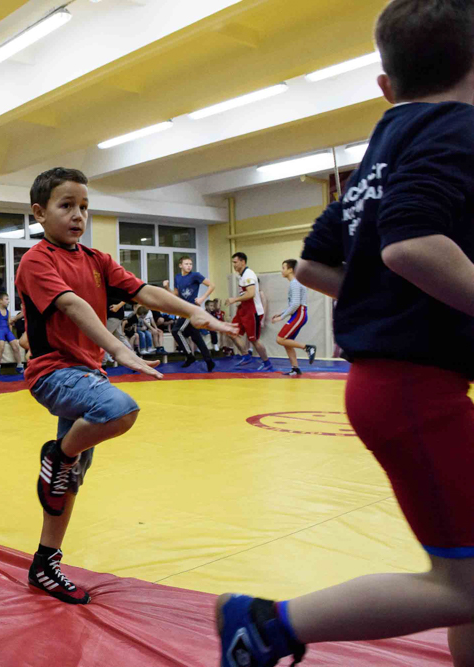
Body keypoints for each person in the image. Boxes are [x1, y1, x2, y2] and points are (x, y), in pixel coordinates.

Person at [217, 2, 474, 665]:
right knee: (466, 583)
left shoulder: (379, 154)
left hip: (392, 384)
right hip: (414, 389)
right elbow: (411, 244)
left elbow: (312, 265)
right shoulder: (459, 128)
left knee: (468, 572)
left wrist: (386, 301)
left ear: (385, 85)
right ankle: (267, 625)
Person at [17, 167, 236, 606]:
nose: (78, 215)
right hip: (54, 373)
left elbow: (144, 292)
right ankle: (57, 456)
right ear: (40, 213)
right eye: (66, 206)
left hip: (86, 374)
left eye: (84, 207)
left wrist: (194, 312)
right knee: (119, 409)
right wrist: (119, 349)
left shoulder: (96, 260)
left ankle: (44, 562)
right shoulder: (37, 260)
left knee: (67, 481)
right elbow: (72, 305)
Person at [225, 252, 273, 372]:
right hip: (244, 310)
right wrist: (240, 303)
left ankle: (267, 363)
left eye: (235, 262)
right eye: (233, 262)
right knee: (231, 332)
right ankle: (246, 356)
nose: (234, 265)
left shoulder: (248, 275)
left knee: (253, 339)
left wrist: (234, 299)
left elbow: (250, 294)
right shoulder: (242, 275)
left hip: (253, 312)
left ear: (243, 262)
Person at [271, 259, 317, 377]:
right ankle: (295, 368)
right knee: (287, 342)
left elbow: (296, 304)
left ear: (290, 270)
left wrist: (281, 317)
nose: (281, 270)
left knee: (280, 339)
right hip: (297, 314)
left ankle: (308, 348)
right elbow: (293, 304)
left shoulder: (295, 283)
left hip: (299, 314)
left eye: (283, 268)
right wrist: (281, 313)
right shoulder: (295, 282)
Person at [169, 257, 216, 371]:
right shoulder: (178, 277)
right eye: (186, 264)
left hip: (191, 309)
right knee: (195, 335)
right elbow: (176, 295)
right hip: (183, 309)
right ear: (180, 265)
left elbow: (212, 285)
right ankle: (209, 361)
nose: (189, 266)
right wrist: (166, 287)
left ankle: (190, 356)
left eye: (190, 264)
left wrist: (202, 298)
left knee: (176, 331)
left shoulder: (195, 275)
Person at [0, 293, 24, 376]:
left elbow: (10, 323)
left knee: (15, 345)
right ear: (0, 301)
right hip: (0, 331)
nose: (8, 301)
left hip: (7, 331)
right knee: (1, 346)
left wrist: (10, 334)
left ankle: (19, 366)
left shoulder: (8, 312)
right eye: (6, 299)